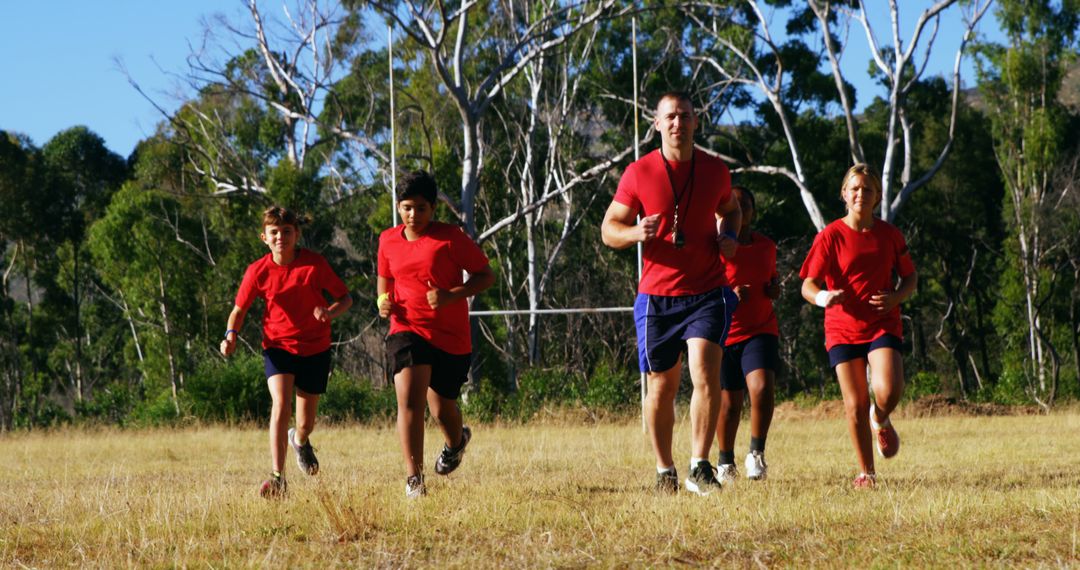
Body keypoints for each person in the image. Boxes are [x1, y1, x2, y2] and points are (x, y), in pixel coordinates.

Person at [601, 91, 741, 495]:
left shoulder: (715, 171)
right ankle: (666, 470)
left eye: (685, 116)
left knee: (705, 373)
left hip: (707, 289)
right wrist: (634, 232)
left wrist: (728, 234)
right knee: (661, 386)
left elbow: (730, 209)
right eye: (670, 117)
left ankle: (700, 465)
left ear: (696, 122)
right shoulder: (638, 172)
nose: (678, 122)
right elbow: (609, 228)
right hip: (657, 296)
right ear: (657, 125)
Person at [220, 206, 353, 498]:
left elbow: (345, 298)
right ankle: (278, 477)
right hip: (277, 347)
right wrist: (230, 335)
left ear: (297, 234)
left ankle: (300, 440)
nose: (281, 237)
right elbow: (238, 310)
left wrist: (328, 312)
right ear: (264, 237)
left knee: (306, 423)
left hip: (315, 348)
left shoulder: (314, 265)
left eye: (287, 231)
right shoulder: (257, 271)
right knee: (280, 404)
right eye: (274, 232)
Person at [377, 170, 495, 499]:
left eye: (421, 208)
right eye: (407, 208)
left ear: (433, 208)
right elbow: (384, 278)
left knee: (442, 408)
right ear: (399, 207)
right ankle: (414, 478)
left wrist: (452, 295)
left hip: (449, 336)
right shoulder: (387, 239)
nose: (413, 215)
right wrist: (382, 301)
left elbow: (486, 276)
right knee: (410, 401)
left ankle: (456, 443)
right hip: (406, 329)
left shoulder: (450, 237)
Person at [799, 164, 917, 489]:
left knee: (889, 390)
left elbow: (910, 277)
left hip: (882, 322)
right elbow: (807, 284)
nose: (860, 194)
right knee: (855, 404)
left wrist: (896, 298)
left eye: (867, 189)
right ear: (844, 195)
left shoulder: (890, 235)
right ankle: (867, 473)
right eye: (854, 189)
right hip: (842, 328)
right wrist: (823, 297)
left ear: (877, 196)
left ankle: (880, 418)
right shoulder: (830, 236)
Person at [715, 186, 780, 483]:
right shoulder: (714, 247)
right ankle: (725, 461)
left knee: (763, 387)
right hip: (724, 333)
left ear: (752, 212)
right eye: (733, 206)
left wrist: (774, 289)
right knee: (729, 404)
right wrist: (729, 295)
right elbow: (702, 287)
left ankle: (756, 454)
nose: (739, 212)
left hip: (760, 328)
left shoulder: (767, 246)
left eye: (745, 206)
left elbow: (772, 278)